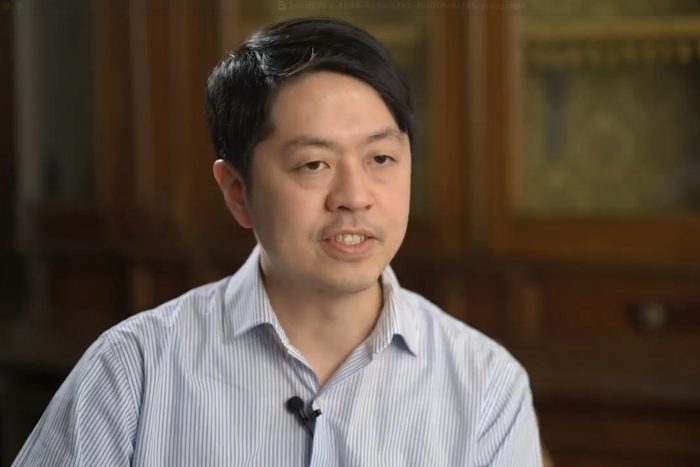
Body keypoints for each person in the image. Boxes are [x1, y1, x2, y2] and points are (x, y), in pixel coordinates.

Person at [13, 17, 543, 466]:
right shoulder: (134, 370)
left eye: (380, 159)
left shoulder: (484, 383)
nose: (354, 197)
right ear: (237, 192)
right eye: (313, 164)